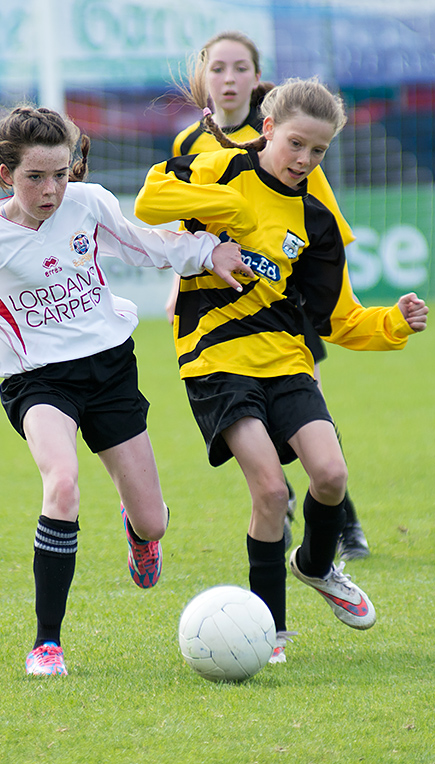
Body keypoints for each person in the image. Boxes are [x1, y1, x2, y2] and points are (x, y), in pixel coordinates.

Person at [0, 104, 247, 677]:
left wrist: (203, 252)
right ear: (5, 175)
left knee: (154, 522)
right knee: (63, 483)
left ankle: (138, 530)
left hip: (109, 369)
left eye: (60, 173)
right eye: (35, 177)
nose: (51, 189)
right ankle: (47, 643)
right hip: (38, 379)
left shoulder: (89, 202)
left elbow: (143, 243)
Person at [135, 76, 428, 664]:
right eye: (296, 144)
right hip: (214, 359)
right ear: (268, 128)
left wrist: (392, 322)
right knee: (270, 489)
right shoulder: (217, 167)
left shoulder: (315, 221)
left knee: (331, 475)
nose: (304, 159)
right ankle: (268, 630)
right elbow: (150, 202)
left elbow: (339, 319)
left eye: (318, 151)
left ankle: (316, 566)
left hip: (285, 359)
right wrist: (228, 207)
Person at [165, 30, 370, 560]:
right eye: (218, 69)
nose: (228, 79)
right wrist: (179, 282)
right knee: (265, 455)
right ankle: (290, 520)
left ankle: (342, 524)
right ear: (203, 77)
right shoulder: (190, 145)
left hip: (286, 297)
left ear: (257, 80)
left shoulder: (286, 134)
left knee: (308, 407)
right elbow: (186, 220)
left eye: (240, 69)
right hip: (222, 309)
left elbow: (318, 217)